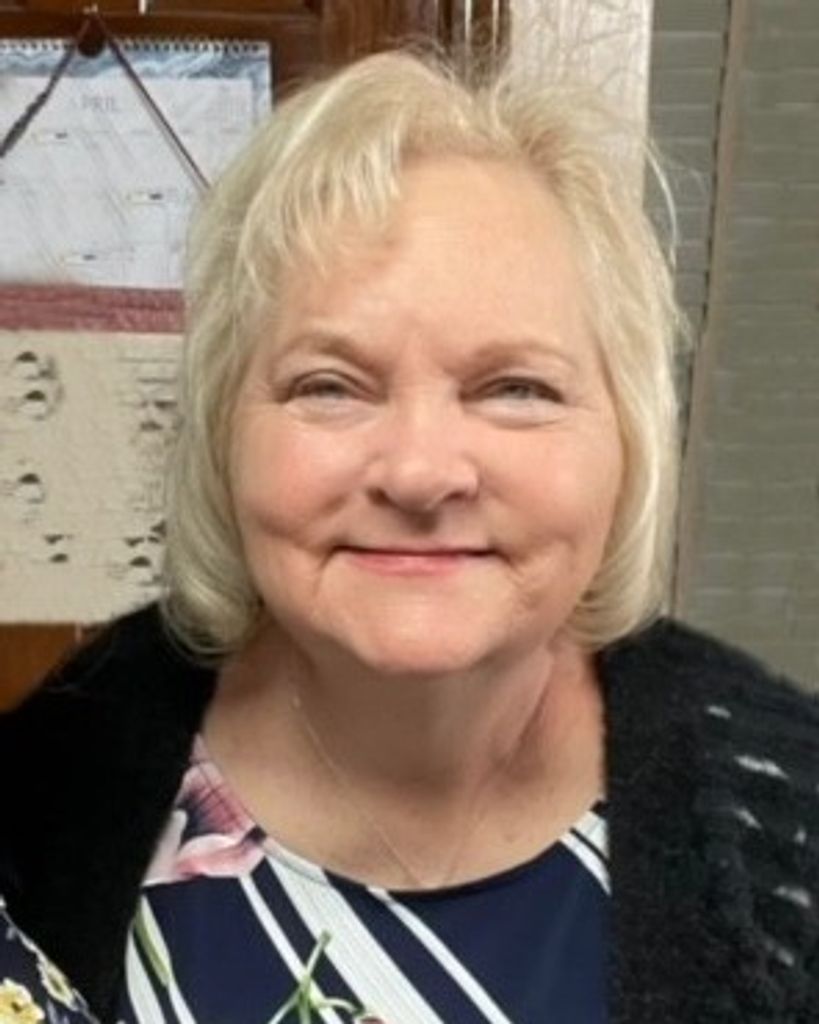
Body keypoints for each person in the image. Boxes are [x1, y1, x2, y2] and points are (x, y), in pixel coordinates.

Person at [1, 51, 818, 1024]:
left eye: (515, 388)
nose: (422, 471)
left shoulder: (786, 824)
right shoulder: (48, 791)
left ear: (629, 443)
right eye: (330, 386)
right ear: (222, 436)